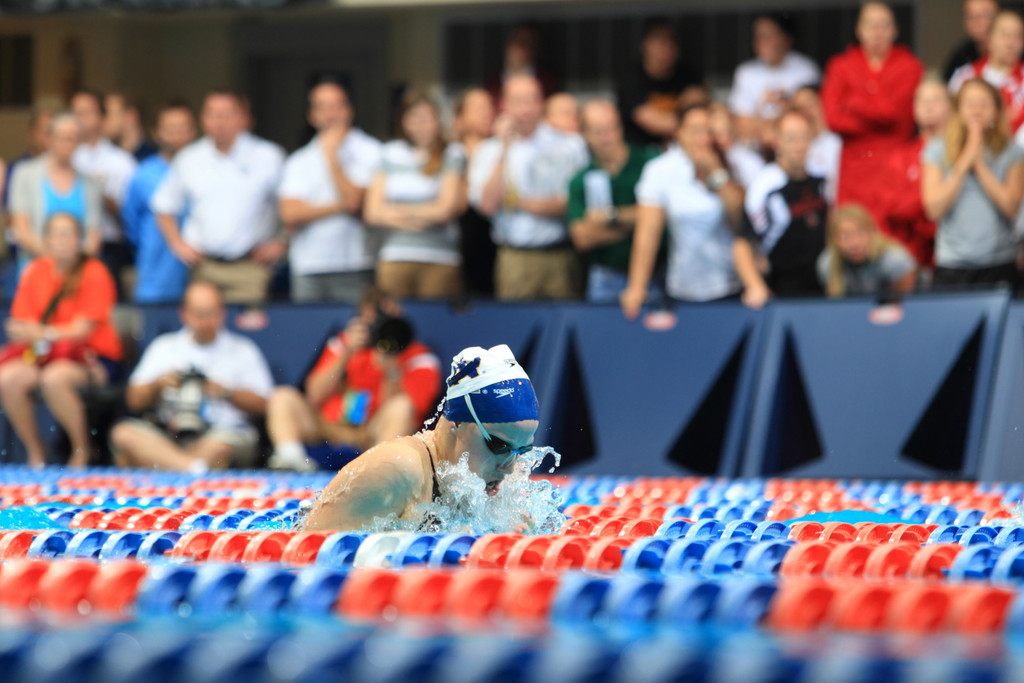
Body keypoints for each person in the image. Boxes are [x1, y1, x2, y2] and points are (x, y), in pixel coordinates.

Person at [300, 344, 537, 531]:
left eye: (521, 451)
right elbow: (310, 556)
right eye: (499, 446)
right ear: (458, 423)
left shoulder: (501, 477)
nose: (508, 467)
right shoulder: (397, 469)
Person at [266, 288, 442, 472]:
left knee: (402, 405)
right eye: (373, 321)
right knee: (283, 396)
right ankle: (290, 459)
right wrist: (345, 354)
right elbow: (314, 395)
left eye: (388, 320)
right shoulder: (343, 343)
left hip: (373, 431)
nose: (380, 327)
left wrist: (391, 368)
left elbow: (409, 415)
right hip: (329, 427)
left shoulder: (419, 357)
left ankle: (381, 470)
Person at [109, 281, 274, 472]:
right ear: (184, 314)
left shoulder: (242, 349)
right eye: (199, 314)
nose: (205, 322)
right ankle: (193, 468)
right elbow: (133, 400)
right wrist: (159, 385)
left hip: (221, 435)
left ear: (222, 313)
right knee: (123, 433)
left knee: (219, 448)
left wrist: (224, 392)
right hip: (170, 435)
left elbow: (265, 405)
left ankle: (175, 466)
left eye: (211, 313)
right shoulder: (164, 346)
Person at [0, 213, 121, 468]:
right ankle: (36, 452)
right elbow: (18, 325)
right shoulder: (35, 271)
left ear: (79, 240)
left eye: (69, 234)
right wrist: (30, 332)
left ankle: (81, 451)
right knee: (7, 379)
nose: (63, 240)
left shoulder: (94, 271)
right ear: (46, 240)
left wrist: (42, 333)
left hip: (90, 357)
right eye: (57, 234)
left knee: (54, 379)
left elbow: (82, 331)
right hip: (43, 354)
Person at [152, 89, 285, 306]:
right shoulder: (189, 158)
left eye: (227, 114)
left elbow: (291, 205)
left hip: (249, 268)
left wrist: (282, 243)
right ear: (203, 120)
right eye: (213, 114)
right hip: (205, 267)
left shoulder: (268, 156)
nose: (219, 121)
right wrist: (177, 244)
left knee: (248, 332)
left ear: (243, 118)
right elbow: (163, 206)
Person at [468, 74, 587, 300]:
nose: (526, 109)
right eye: (518, 101)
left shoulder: (569, 145)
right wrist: (504, 147)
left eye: (531, 100)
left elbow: (575, 204)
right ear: (504, 104)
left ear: (542, 103)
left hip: (560, 254)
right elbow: (487, 205)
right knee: (514, 329)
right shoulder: (489, 150)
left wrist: (517, 202)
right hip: (514, 258)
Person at [621, 104, 743, 319]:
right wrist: (636, 287)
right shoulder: (660, 170)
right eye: (694, 130)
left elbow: (740, 218)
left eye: (707, 130)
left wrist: (716, 172)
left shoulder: (733, 161)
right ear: (679, 132)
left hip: (731, 284)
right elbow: (648, 232)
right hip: (683, 287)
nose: (701, 138)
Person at [277, 81, 382, 304]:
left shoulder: (372, 151)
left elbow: (356, 202)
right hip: (309, 266)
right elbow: (290, 213)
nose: (330, 114)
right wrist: (340, 205)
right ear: (311, 115)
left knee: (359, 335)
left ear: (349, 110)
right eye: (322, 107)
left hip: (357, 263)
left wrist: (332, 156)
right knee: (308, 335)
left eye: (337, 106)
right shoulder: (299, 160)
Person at [822, 2, 923, 227]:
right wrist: (880, 119)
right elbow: (833, 119)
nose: (877, 32)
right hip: (853, 169)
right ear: (858, 29)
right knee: (852, 233)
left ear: (895, 30)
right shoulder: (840, 66)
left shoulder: (910, 66)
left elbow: (896, 115)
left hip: (894, 165)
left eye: (884, 25)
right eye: (870, 25)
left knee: (892, 236)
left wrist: (854, 103)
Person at [923, 78, 1024, 290]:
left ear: (997, 110)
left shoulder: (1012, 151)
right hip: (952, 263)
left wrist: (979, 165)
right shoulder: (937, 149)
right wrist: (965, 159)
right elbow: (933, 208)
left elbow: (1011, 207)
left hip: (1000, 262)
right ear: (958, 109)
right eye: (970, 103)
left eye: (984, 104)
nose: (977, 110)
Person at [364, 90, 465, 300]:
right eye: (414, 118)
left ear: (438, 119)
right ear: (403, 121)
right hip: (394, 257)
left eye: (427, 118)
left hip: (441, 259)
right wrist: (424, 213)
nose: (422, 125)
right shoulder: (389, 153)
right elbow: (373, 213)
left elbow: (445, 210)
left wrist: (395, 212)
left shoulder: (452, 153)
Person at [733, 110, 829, 309]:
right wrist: (755, 286)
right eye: (791, 138)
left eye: (805, 137)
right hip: (779, 290)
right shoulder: (765, 186)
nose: (799, 145)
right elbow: (743, 243)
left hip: (821, 287)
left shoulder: (822, 178)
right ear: (777, 141)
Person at [568, 99, 659, 304]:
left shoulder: (649, 162)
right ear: (585, 134)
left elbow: (665, 216)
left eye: (611, 128)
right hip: (605, 277)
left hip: (656, 273)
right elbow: (582, 238)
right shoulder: (581, 179)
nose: (606, 137)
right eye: (597, 131)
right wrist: (643, 225)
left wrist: (610, 217)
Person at [121, 102, 197, 304]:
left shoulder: (206, 170)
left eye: (183, 129)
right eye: (170, 129)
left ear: (194, 131)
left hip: (199, 275)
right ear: (156, 133)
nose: (177, 136)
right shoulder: (143, 174)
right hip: (156, 275)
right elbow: (132, 224)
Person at [8, 113, 102, 270]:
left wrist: (71, 266)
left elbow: (93, 236)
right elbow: (21, 229)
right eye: (62, 138)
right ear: (50, 139)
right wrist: (55, 262)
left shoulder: (90, 183)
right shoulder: (24, 174)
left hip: (77, 272)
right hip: (35, 268)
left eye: (72, 139)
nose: (67, 144)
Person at [69, 90, 138, 295]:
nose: (79, 119)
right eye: (75, 112)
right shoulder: (62, 159)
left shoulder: (122, 162)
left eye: (86, 112)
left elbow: (130, 217)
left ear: (102, 118)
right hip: (66, 249)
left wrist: (100, 194)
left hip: (107, 250)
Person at [878, 80, 952, 269]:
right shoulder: (900, 156)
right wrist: (935, 201)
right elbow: (892, 207)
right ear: (913, 109)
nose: (928, 106)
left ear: (951, 107)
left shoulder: (962, 153)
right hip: (912, 256)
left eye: (936, 100)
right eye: (921, 101)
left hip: (957, 251)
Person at [728, 13, 821, 147]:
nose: (761, 41)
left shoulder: (806, 70)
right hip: (756, 148)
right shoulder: (745, 72)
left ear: (786, 38)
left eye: (768, 36)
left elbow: (813, 119)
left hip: (799, 145)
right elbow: (741, 124)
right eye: (758, 36)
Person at [617, 18, 701, 148]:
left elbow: (702, 104)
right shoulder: (631, 77)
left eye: (672, 42)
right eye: (661, 42)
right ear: (645, 44)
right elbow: (652, 122)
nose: (666, 48)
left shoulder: (687, 75)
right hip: (641, 150)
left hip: (683, 148)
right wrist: (690, 125)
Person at [453, 87, 498, 297]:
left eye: (489, 107)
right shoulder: (449, 153)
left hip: (493, 242)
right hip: (456, 245)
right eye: (478, 107)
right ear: (459, 118)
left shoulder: (503, 149)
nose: (486, 112)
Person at [818, 203, 916, 298]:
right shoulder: (827, 264)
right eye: (845, 237)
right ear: (834, 240)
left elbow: (902, 303)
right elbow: (835, 305)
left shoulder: (894, 260)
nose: (855, 244)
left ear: (872, 233)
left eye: (860, 234)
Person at [949, 10, 1024, 133]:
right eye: (1005, 35)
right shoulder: (964, 77)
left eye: (1017, 36)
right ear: (989, 39)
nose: (1011, 43)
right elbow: (953, 121)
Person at [484, 23, 559, 106]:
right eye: (517, 42)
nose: (521, 49)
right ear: (507, 45)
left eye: (527, 43)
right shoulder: (493, 84)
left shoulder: (547, 82)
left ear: (535, 48)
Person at [790, 85, 842, 202]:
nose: (805, 111)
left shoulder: (839, 139)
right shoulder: (795, 146)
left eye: (809, 104)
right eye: (799, 107)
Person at [708, 103, 766, 189]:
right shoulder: (704, 156)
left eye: (728, 131)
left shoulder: (750, 161)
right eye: (717, 134)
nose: (724, 139)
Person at [943, 0, 1000, 82]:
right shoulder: (961, 54)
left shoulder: (1016, 54)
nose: (979, 22)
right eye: (971, 17)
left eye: (985, 15)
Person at [104, 93, 158, 162]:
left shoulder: (156, 156)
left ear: (131, 116)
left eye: (107, 113)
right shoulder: (106, 156)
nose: (101, 120)